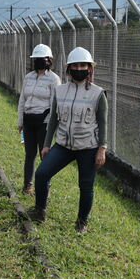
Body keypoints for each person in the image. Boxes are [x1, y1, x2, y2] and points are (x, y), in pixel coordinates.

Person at [28, 47, 108, 233]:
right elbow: (54, 119)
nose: (79, 68)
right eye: (75, 65)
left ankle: (82, 223)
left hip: (88, 147)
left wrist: (101, 148)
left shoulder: (98, 93)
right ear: (69, 68)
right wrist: (47, 144)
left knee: (86, 185)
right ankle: (40, 210)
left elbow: (103, 124)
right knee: (41, 174)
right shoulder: (60, 90)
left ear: (89, 69)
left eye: (83, 65)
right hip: (63, 145)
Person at [17, 44, 61, 195]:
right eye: (37, 59)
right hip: (28, 121)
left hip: (44, 123)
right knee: (29, 155)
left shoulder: (54, 79)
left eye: (42, 59)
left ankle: (44, 188)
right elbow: (22, 99)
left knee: (45, 156)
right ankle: (27, 185)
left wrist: (49, 126)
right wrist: (20, 121)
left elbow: (55, 105)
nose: (39, 61)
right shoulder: (28, 77)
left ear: (49, 60)